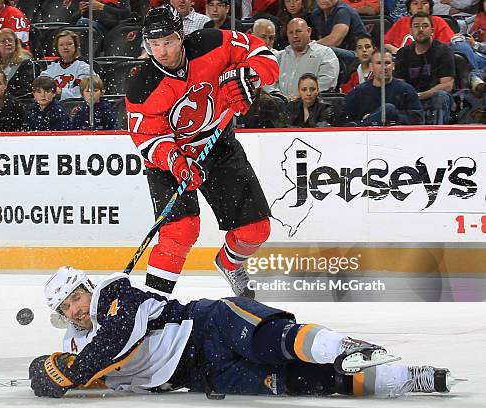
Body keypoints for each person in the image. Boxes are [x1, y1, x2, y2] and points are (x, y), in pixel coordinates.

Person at [28, 266, 463, 398]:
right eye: (67, 308)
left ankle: (346, 346)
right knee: (299, 383)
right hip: (203, 376)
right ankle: (410, 378)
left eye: (75, 299)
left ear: (87, 288)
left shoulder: (113, 293)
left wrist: (76, 371)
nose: (76, 310)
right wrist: (53, 375)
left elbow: (118, 340)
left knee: (274, 339)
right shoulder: (76, 344)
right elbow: (93, 374)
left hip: (209, 326)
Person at [124, 5, 279, 298]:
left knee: (256, 230)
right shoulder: (141, 86)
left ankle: (229, 263)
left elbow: (262, 55)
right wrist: (176, 162)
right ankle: (154, 304)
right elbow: (146, 138)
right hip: (171, 160)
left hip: (217, 143)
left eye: (168, 41)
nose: (162, 52)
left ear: (181, 35)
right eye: (154, 44)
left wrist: (250, 77)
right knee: (180, 231)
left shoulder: (211, 43)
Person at [393, 12, 455, 124]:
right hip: (411, 100)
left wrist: (421, 95)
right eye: (416, 26)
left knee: (440, 96)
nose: (420, 29)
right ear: (411, 31)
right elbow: (399, 85)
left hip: (434, 98)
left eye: (425, 26)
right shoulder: (403, 53)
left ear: (432, 31)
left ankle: (437, 136)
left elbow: (447, 85)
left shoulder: (443, 51)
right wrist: (413, 97)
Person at [344, 50, 424, 125]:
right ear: (371, 67)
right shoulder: (358, 92)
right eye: (379, 63)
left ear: (393, 66)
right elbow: (343, 120)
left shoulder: (406, 90)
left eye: (387, 63)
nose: (384, 67)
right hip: (365, 136)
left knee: (389, 109)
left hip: (398, 136)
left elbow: (418, 120)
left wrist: (394, 116)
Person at [268, 18, 339, 98]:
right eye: (291, 33)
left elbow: (327, 81)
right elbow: (269, 82)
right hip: (280, 106)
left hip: (312, 104)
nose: (294, 36)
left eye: (298, 31)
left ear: (308, 31)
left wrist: (303, 97)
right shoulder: (279, 56)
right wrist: (278, 96)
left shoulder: (325, 53)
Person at [0, 28, 39, 99]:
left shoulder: (25, 62)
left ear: (16, 43)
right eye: (3, 41)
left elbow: (26, 90)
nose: (7, 43)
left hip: (17, 102)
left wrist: (7, 100)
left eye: (10, 40)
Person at [384, 0, 454, 55]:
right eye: (415, 3)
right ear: (409, 9)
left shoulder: (438, 21)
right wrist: (394, 50)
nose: (419, 7)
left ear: (430, 8)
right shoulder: (401, 22)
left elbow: (446, 45)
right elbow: (385, 43)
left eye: (424, 3)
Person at [39, 30, 92, 100]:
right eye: (61, 45)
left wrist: (61, 92)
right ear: (57, 48)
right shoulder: (51, 67)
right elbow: (41, 85)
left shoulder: (84, 67)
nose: (65, 47)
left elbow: (84, 92)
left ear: (76, 46)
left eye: (69, 44)